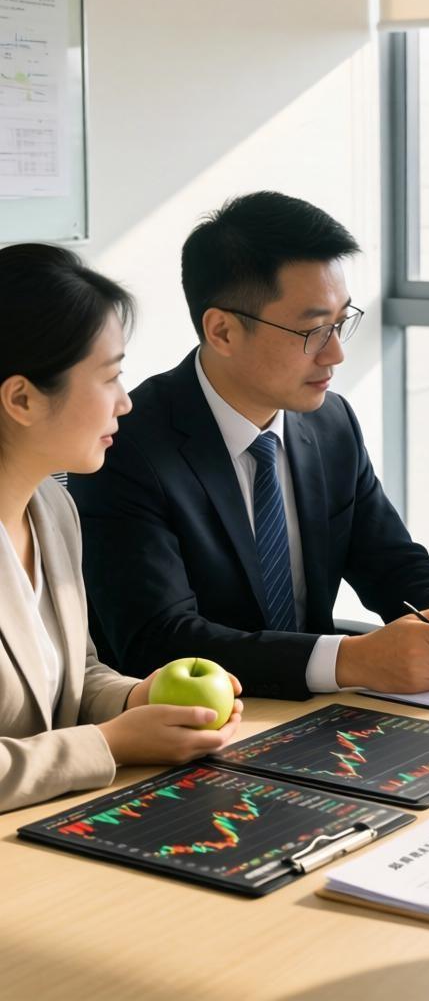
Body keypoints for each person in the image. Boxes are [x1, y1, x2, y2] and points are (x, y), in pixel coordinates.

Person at [69, 192, 429, 701]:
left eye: (341, 321)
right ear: (222, 330)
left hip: (318, 715)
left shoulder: (329, 422)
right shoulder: (128, 445)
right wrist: (350, 660)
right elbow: (157, 640)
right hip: (190, 729)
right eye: (313, 330)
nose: (336, 353)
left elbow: (390, 562)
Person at [0, 244, 243, 814]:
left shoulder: (52, 508)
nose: (126, 403)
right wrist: (109, 743)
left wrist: (141, 697)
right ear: (22, 398)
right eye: (109, 378)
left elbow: (73, 677)